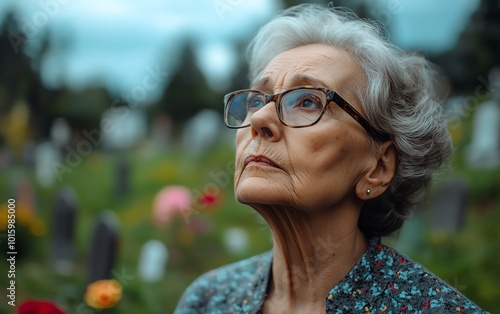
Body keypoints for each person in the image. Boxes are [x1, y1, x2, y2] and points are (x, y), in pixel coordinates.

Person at [174, 3, 487, 313]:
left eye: (308, 101)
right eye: (256, 100)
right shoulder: (207, 300)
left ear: (378, 168)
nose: (259, 119)